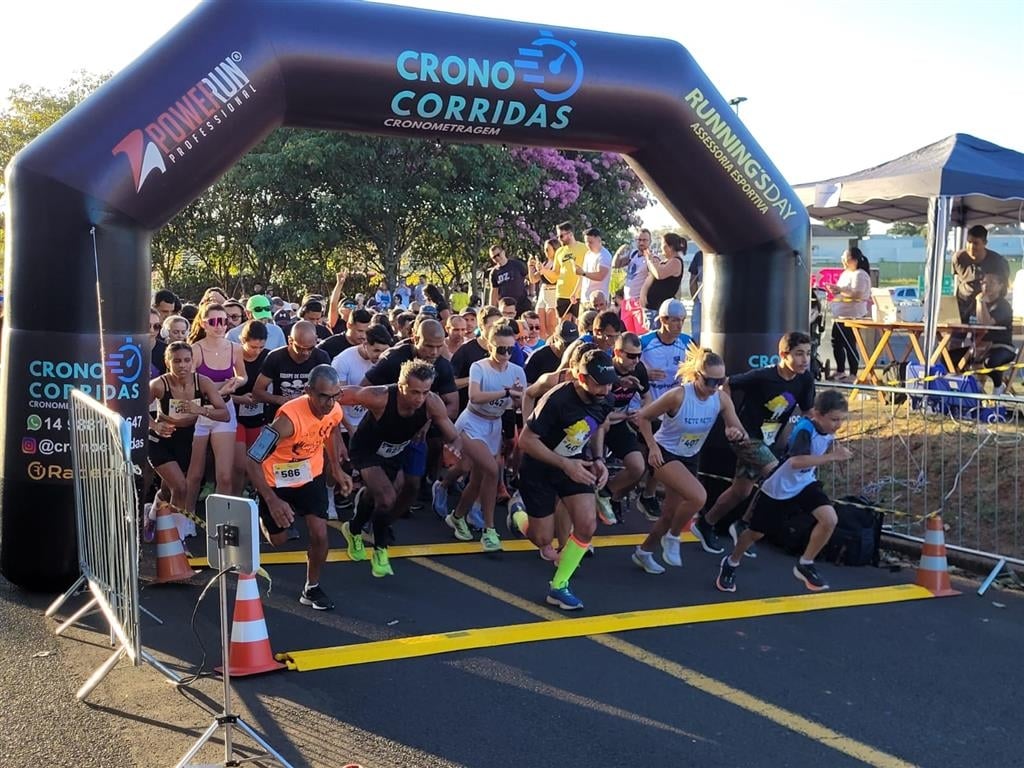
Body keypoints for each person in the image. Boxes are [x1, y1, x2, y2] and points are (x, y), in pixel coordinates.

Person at [511, 349, 617, 610]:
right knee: (542, 541)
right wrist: (564, 464)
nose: (605, 390)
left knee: (587, 524)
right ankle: (518, 515)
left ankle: (558, 587)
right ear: (581, 377)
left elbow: (596, 427)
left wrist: (599, 459)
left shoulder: (606, 399)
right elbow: (526, 440)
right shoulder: (557, 399)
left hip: (575, 463)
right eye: (598, 384)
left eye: (608, 383)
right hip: (539, 467)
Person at [716, 390, 852, 593]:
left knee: (830, 519)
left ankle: (805, 563)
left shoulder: (827, 431)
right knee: (755, 533)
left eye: (841, 420)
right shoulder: (805, 429)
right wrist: (832, 457)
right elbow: (796, 461)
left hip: (805, 482)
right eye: (834, 420)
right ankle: (731, 561)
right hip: (780, 487)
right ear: (817, 414)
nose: (838, 425)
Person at [693, 331, 816, 556]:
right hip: (746, 436)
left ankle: (706, 522)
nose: (805, 360)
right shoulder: (763, 376)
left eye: (808, 354)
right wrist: (731, 420)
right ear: (783, 354)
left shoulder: (805, 379)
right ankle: (744, 524)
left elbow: (808, 412)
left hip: (768, 440)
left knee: (740, 491)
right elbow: (727, 383)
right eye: (799, 354)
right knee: (775, 474)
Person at [341, 361, 460, 576]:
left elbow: (452, 435)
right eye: (414, 392)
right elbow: (342, 394)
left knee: (375, 495)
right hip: (366, 449)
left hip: (394, 452)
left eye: (425, 392)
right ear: (400, 385)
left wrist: (458, 449)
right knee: (387, 497)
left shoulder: (432, 403)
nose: (419, 398)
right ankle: (380, 550)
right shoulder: (380, 396)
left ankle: (353, 529)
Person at [248, 365, 351, 610]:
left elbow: (330, 431)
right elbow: (252, 459)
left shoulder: (335, 409)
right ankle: (262, 510)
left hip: (310, 475)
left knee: (320, 534)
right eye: (323, 396)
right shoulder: (287, 421)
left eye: (335, 395)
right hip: (276, 480)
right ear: (308, 391)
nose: (329, 402)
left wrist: (335, 467)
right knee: (279, 540)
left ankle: (311, 587)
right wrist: (272, 500)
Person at [632, 348, 744, 573]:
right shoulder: (679, 396)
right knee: (698, 497)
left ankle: (643, 552)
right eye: (709, 381)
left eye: (719, 381)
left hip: (689, 456)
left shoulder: (721, 398)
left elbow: (737, 426)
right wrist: (652, 447)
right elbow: (642, 417)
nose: (714, 387)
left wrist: (736, 432)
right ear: (697, 375)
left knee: (669, 515)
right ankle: (673, 537)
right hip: (664, 453)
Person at [444, 323, 527, 551]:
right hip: (471, 422)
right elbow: (475, 396)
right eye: (501, 349)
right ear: (489, 345)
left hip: (494, 425)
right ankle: (490, 530)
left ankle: (458, 516)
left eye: (511, 349)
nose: (507, 355)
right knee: (492, 470)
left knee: (479, 479)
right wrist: (507, 392)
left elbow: (522, 403)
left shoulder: (517, 371)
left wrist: (520, 402)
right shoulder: (478, 367)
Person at [147, 342, 230, 541]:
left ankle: (151, 514)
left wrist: (202, 410)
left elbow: (225, 414)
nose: (182, 365)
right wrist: (155, 426)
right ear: (168, 363)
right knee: (181, 487)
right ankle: (177, 540)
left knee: (168, 490)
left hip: (185, 441)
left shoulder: (204, 383)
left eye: (186, 360)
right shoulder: (159, 384)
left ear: (193, 362)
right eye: (176, 361)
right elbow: (135, 410)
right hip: (161, 440)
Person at [183, 303, 247, 520]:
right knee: (194, 474)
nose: (219, 326)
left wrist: (234, 384)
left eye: (223, 321)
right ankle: (188, 518)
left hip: (224, 410)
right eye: (214, 321)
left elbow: (243, 375)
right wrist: (219, 389)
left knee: (225, 475)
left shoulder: (235, 348)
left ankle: (221, 519)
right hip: (199, 411)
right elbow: (188, 384)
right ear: (203, 323)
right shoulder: (195, 350)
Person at [636, 298, 693, 519]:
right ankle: (632, 493)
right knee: (645, 458)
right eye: (675, 320)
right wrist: (644, 372)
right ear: (662, 320)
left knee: (663, 454)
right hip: (646, 406)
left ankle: (650, 495)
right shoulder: (645, 341)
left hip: (672, 409)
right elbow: (624, 363)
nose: (679, 325)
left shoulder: (688, 342)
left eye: (682, 320)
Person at [595, 332, 653, 524]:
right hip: (596, 423)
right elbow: (598, 412)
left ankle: (607, 494)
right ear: (617, 352)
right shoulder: (604, 369)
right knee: (596, 463)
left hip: (619, 422)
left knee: (638, 466)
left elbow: (647, 398)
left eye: (639, 355)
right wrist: (627, 415)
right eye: (631, 356)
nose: (636, 360)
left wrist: (642, 413)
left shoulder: (639, 369)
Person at [822, 247, 871, 382]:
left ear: (853, 260)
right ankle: (840, 370)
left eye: (846, 258)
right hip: (840, 315)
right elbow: (842, 291)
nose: (843, 261)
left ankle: (853, 374)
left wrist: (839, 289)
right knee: (836, 342)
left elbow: (857, 293)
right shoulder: (846, 274)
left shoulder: (860, 274)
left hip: (852, 315)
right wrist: (834, 290)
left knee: (849, 343)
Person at [967, 272, 1016, 394]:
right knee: (955, 357)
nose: (986, 286)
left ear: (1000, 285)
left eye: (991, 283)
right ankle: (972, 393)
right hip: (979, 347)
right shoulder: (976, 303)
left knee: (991, 361)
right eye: (984, 282)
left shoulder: (1002, 306)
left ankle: (998, 387)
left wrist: (980, 302)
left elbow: (986, 322)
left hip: (1001, 347)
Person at [953, 225, 1009, 326]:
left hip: (986, 304)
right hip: (963, 303)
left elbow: (1002, 285)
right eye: (969, 242)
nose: (971, 247)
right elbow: (957, 278)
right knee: (953, 337)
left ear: (985, 243)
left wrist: (997, 307)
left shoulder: (998, 261)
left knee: (984, 334)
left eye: (975, 243)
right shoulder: (958, 258)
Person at [641, 233, 686, 330]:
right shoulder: (665, 261)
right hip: (650, 308)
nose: (660, 247)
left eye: (662, 244)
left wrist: (650, 261)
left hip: (659, 309)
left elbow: (659, 274)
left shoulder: (676, 262)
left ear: (669, 247)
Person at [615, 230, 651, 334]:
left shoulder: (650, 258)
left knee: (640, 334)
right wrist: (619, 253)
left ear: (650, 241)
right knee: (628, 334)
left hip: (638, 301)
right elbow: (616, 265)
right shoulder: (633, 254)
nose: (641, 243)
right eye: (639, 240)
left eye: (644, 240)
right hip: (627, 301)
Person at [553, 222, 588, 319]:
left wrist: (576, 292)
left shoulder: (584, 248)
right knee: (563, 326)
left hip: (579, 294)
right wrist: (542, 271)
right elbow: (555, 274)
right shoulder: (559, 252)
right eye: (558, 236)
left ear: (570, 234)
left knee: (580, 323)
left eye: (561, 236)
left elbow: (585, 272)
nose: (559, 239)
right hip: (562, 293)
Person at [529, 238, 560, 340]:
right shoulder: (545, 263)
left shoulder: (558, 263)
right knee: (540, 324)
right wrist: (531, 268)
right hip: (543, 293)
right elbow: (533, 279)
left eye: (548, 249)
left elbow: (553, 279)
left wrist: (543, 270)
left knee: (551, 325)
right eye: (545, 250)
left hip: (553, 292)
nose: (545, 252)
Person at [488, 245, 531, 315]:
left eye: (498, 254)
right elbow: (494, 292)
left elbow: (530, 278)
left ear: (503, 252)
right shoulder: (494, 273)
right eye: (494, 257)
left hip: (522, 304)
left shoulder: (517, 264)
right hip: (506, 308)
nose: (497, 258)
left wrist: (531, 294)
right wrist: (492, 309)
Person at [575, 227, 612, 305]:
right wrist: (575, 292)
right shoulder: (588, 254)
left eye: (590, 242)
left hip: (599, 302)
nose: (588, 245)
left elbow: (600, 276)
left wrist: (583, 273)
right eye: (586, 242)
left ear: (599, 240)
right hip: (585, 299)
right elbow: (583, 276)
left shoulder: (604, 255)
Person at [688, 247, 703, 341]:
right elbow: (692, 280)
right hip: (700, 301)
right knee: (696, 333)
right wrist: (695, 299)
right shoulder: (699, 255)